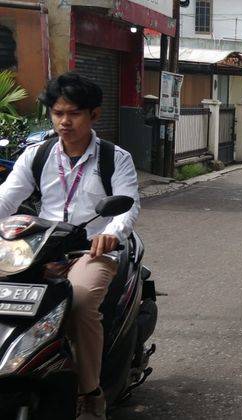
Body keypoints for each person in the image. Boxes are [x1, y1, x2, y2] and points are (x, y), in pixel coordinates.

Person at [0, 72, 140, 420]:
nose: (64, 121)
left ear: (93, 115)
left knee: (77, 302)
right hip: (37, 248)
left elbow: (129, 204)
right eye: (57, 112)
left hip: (92, 250)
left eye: (73, 113)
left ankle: (90, 394)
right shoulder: (37, 155)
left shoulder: (114, 158)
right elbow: (6, 198)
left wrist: (112, 232)